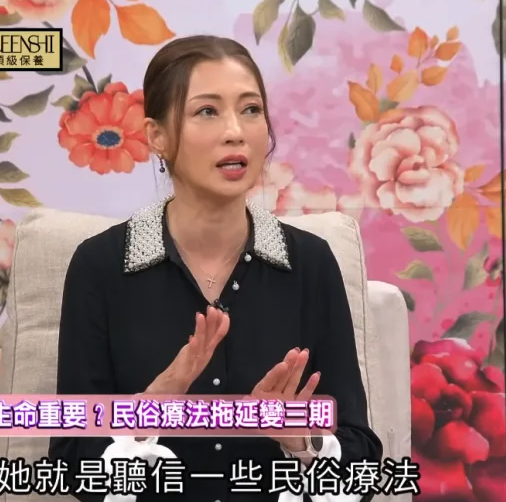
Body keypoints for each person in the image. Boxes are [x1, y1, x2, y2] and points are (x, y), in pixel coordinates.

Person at [49, 35, 382, 502]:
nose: (235, 131)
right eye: (208, 111)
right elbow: (69, 466)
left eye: (251, 110)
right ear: (157, 136)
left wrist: (301, 440)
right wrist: (147, 415)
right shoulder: (100, 267)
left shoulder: (310, 264)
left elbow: (362, 464)